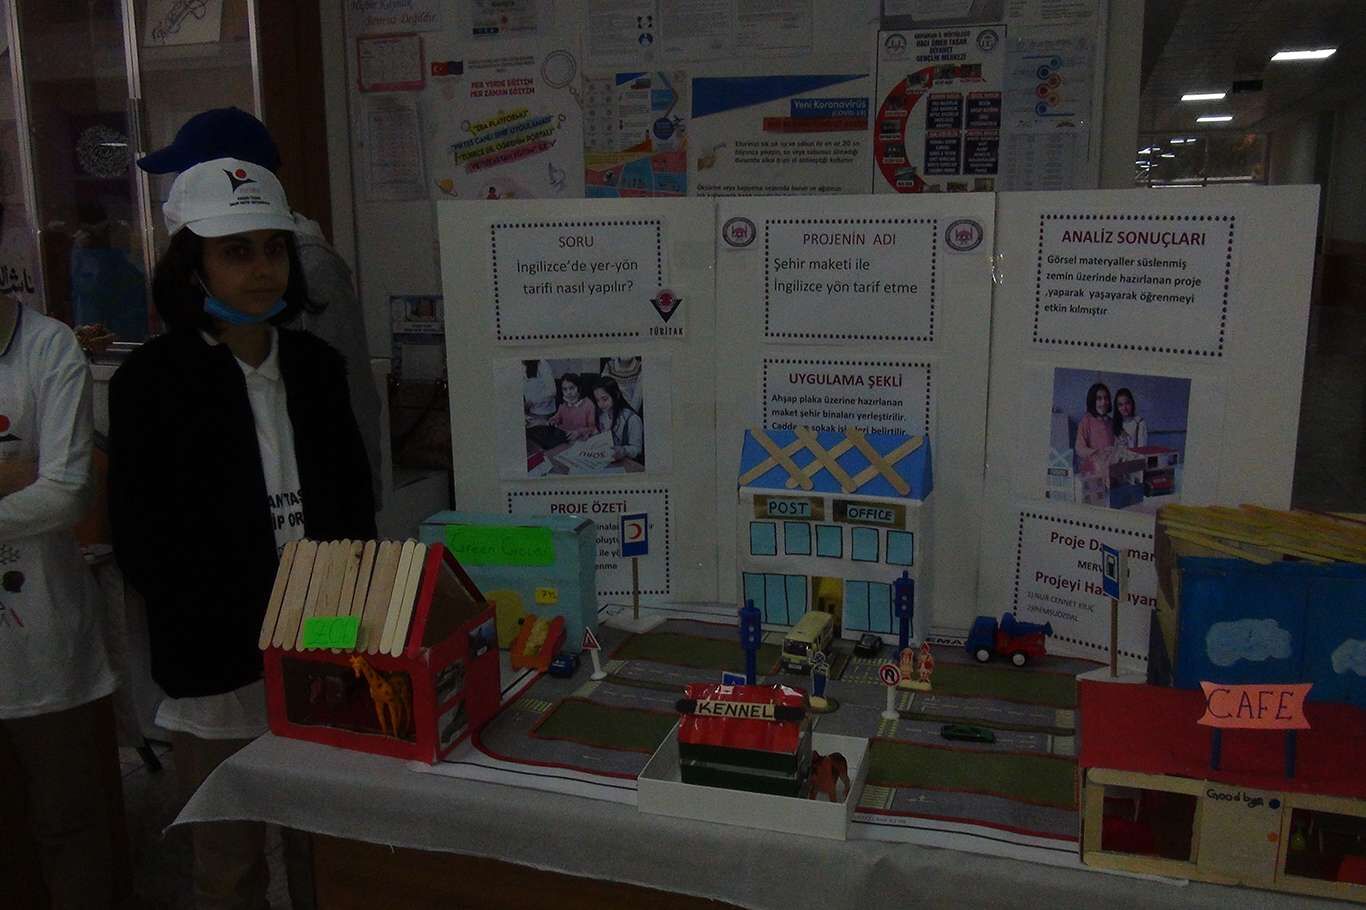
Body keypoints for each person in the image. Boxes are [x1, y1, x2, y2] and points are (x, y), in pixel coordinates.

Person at [109, 157, 375, 910]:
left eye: (273, 248)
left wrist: (338, 625)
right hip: (218, 664)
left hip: (322, 645)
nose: (262, 269)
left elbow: (352, 511)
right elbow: (143, 541)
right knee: (229, 861)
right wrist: (234, 623)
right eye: (236, 252)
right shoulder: (152, 382)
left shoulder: (316, 367)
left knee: (326, 850)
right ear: (193, 266)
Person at [136, 107, 384, 510]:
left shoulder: (312, 268)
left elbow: (351, 396)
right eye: (236, 252)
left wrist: (361, 501)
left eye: (184, 175)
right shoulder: (191, 276)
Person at [1, 294, 119, 908]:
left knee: (69, 828)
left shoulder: (47, 348)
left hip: (43, 653)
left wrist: (44, 481)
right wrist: (17, 474)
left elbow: (67, 494)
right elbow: (42, 487)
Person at [592, 376, 643, 464]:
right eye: (597, 400)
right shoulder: (602, 415)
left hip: (627, 463)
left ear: (616, 394)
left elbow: (637, 449)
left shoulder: (632, 419)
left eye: (604, 399)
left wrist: (624, 450)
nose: (601, 404)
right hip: (607, 461)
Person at [1074, 382, 1115, 475]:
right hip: (1092, 472)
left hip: (1110, 470)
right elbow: (1079, 448)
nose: (1103, 402)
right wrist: (1097, 453)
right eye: (1099, 399)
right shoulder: (1086, 421)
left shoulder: (1111, 422)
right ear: (1092, 401)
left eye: (1106, 398)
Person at [549, 373, 595, 440]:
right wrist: (553, 420)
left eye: (572, 388)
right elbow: (557, 417)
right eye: (565, 389)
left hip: (581, 439)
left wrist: (579, 432)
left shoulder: (588, 404)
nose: (568, 392)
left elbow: (592, 428)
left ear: (578, 388)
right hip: (565, 437)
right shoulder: (564, 403)